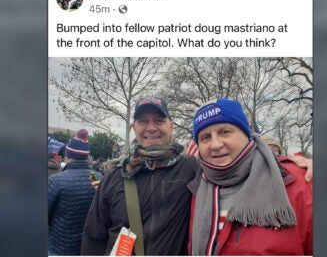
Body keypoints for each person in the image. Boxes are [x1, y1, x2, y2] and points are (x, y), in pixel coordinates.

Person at [188, 98, 312, 255]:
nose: (215, 144)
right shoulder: (198, 188)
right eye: (205, 137)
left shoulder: (299, 183)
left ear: (247, 134)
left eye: (224, 132)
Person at [81, 97, 199, 255]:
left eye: (158, 121)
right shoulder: (114, 176)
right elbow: (94, 237)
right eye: (143, 121)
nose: (151, 128)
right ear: (134, 128)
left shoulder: (191, 168)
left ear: (171, 127)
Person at [48, 129, 103, 256]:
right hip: (89, 247)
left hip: (60, 248)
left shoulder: (56, 180)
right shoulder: (98, 177)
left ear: (67, 157)